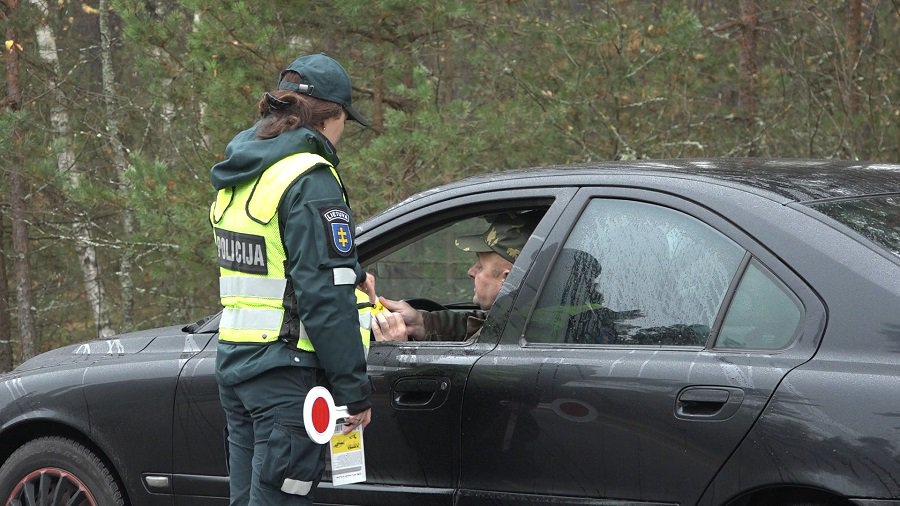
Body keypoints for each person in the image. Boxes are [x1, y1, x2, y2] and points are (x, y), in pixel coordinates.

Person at [209, 53, 372, 506]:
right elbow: (322, 293)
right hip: (287, 376)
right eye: (344, 122)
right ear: (330, 118)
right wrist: (354, 391)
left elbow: (271, 267)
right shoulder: (310, 178)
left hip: (236, 366)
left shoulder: (241, 173)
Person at [372, 212, 540, 342]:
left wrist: (397, 350)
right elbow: (480, 323)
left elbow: (466, 380)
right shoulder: (520, 317)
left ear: (507, 279)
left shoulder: (518, 334)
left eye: (480, 266)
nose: (471, 272)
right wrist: (420, 322)